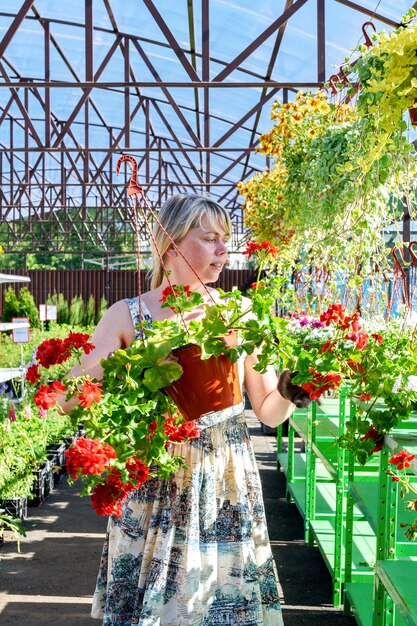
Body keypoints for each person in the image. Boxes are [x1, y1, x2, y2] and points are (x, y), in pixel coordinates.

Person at [60, 193, 311, 626]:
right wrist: (132, 364)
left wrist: (290, 391)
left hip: (223, 478)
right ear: (170, 246)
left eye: (225, 240)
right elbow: (69, 398)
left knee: (220, 600)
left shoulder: (241, 313)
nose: (222, 251)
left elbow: (268, 411)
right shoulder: (128, 316)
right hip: (156, 478)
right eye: (209, 238)